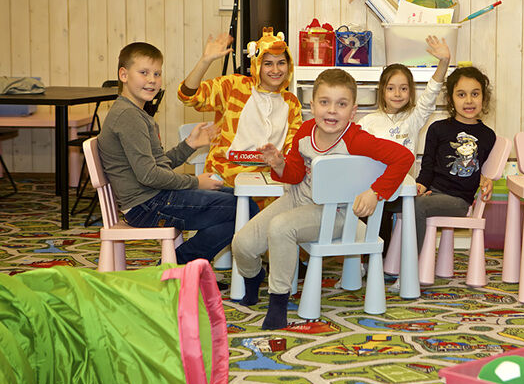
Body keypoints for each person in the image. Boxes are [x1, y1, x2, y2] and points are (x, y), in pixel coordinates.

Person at [231, 69, 414, 329]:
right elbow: (295, 174)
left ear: (353, 111)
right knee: (242, 244)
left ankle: (278, 302)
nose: (332, 111)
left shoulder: (356, 139)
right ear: (312, 105)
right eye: (325, 102)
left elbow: (404, 157)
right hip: (297, 200)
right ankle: (254, 278)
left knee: (281, 228)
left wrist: (375, 192)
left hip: (336, 214)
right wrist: (279, 164)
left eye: (341, 104)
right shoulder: (306, 131)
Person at [97, 42, 238, 265]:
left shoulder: (135, 113)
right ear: (123, 75)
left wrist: (189, 145)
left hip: (152, 199)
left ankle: (180, 263)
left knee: (240, 200)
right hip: (147, 205)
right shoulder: (128, 116)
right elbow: (149, 176)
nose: (152, 80)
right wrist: (196, 183)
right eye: (144, 73)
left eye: (157, 74)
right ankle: (178, 265)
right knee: (242, 207)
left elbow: (158, 166)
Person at [358, 36, 450, 292]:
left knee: (388, 213)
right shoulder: (368, 121)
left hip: (401, 191)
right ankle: (365, 260)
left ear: (410, 92)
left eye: (403, 88)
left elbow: (431, 93)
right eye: (391, 88)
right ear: (382, 92)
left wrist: (444, 62)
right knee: (370, 210)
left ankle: (388, 264)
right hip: (374, 190)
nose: (397, 94)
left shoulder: (413, 118)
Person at [177, 28, 303, 209]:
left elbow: (293, 148)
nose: (276, 70)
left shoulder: (291, 103)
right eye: (268, 63)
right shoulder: (234, 87)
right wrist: (205, 61)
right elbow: (188, 96)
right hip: (224, 186)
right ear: (257, 64)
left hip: (268, 191)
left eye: (281, 63)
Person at [413, 66, 496, 263]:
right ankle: (382, 258)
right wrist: (419, 187)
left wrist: (486, 179)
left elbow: (480, 169)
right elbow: (427, 167)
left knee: (417, 206)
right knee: (397, 201)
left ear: (483, 98)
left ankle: (411, 264)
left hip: (459, 201)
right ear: (451, 99)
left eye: (475, 94)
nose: (469, 100)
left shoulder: (487, 136)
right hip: (432, 192)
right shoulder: (437, 129)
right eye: (461, 94)